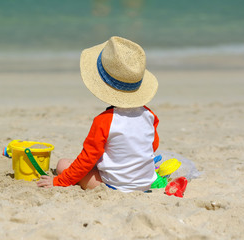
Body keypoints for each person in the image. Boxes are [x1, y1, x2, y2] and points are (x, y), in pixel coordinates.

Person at [37, 36, 159, 192]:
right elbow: (152, 145)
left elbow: (87, 159)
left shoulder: (104, 121)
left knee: (63, 164)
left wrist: (59, 181)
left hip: (114, 186)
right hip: (145, 182)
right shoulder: (149, 115)